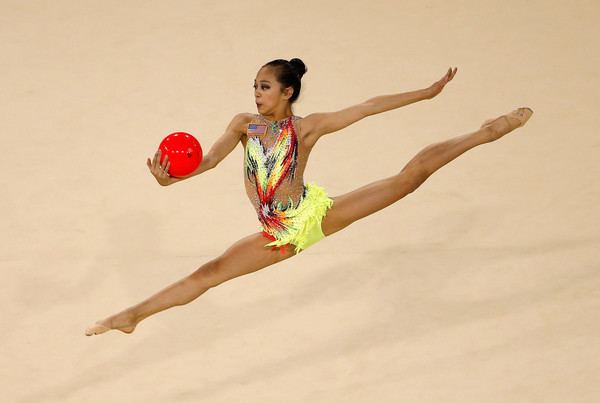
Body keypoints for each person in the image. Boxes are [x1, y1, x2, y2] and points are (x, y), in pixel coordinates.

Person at [85, 58, 533, 336]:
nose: (257, 94)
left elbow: (369, 106)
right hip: (277, 231)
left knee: (408, 179)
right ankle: (132, 316)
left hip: (308, 217)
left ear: (287, 91)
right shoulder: (246, 125)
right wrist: (171, 180)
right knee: (209, 273)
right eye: (254, 86)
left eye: (264, 86)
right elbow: (208, 161)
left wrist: (427, 92)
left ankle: (487, 131)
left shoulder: (306, 128)